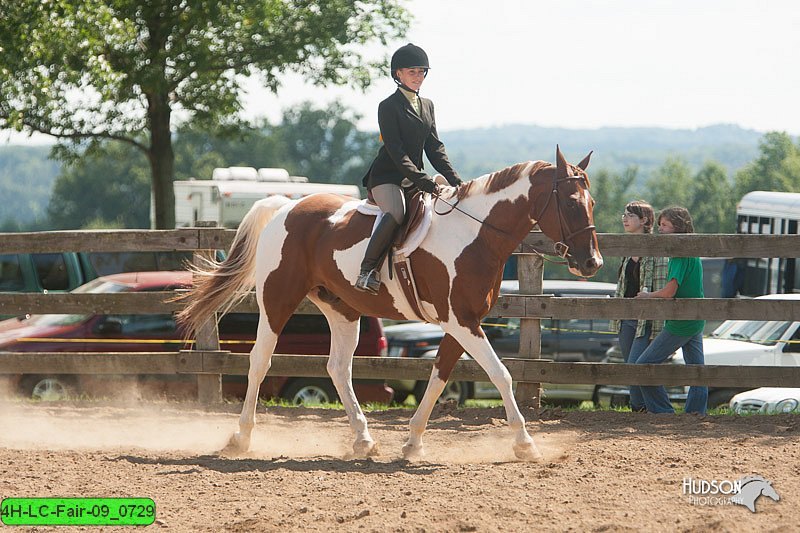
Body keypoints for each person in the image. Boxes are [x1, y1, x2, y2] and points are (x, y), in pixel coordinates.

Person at [354, 43, 463, 294]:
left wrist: (455, 179)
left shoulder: (427, 105)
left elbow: (434, 147)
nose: (418, 77)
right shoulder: (388, 106)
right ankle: (367, 270)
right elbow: (396, 150)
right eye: (412, 72)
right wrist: (420, 177)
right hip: (387, 176)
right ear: (398, 74)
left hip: (415, 178)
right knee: (397, 212)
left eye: (422, 72)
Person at [634, 206, 707, 414]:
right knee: (698, 372)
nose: (660, 229)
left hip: (681, 321)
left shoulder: (679, 254)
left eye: (665, 225)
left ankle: (662, 412)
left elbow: (670, 291)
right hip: (695, 317)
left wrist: (648, 296)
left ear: (678, 227)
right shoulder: (691, 251)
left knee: (643, 366)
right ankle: (695, 414)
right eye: (660, 225)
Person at [610, 201, 668, 412]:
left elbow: (661, 282)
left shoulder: (655, 248)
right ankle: (639, 409)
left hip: (647, 319)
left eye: (631, 215)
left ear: (644, 220)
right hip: (627, 317)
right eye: (624, 215)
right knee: (630, 368)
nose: (625, 219)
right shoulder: (627, 248)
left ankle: (657, 409)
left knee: (638, 365)